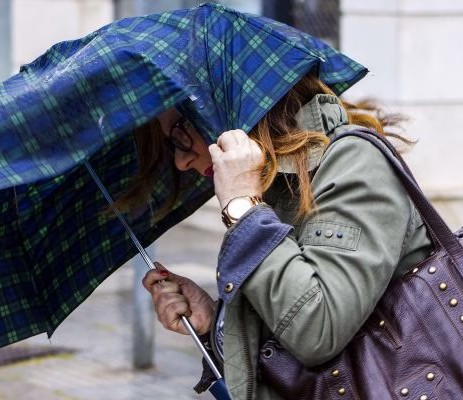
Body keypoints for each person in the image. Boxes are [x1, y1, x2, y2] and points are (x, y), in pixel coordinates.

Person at [126, 73, 434, 399]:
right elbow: (289, 349)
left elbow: (318, 328)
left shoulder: (354, 163)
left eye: (179, 134)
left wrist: (244, 209)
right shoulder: (273, 184)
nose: (181, 160)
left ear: (225, 106)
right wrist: (214, 322)